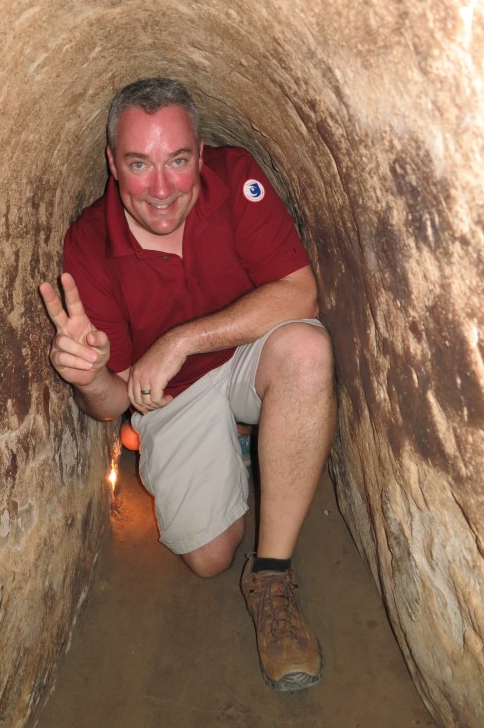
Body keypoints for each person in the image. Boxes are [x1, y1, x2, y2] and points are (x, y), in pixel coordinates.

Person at [39, 78, 337, 691]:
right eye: (139, 165)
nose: (161, 189)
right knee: (208, 557)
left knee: (308, 350)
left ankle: (273, 577)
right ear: (111, 165)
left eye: (177, 161)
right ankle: (249, 449)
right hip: (172, 397)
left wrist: (178, 341)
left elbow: (298, 291)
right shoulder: (89, 246)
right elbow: (115, 401)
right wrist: (92, 377)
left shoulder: (236, 180)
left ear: (201, 153)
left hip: (247, 355)